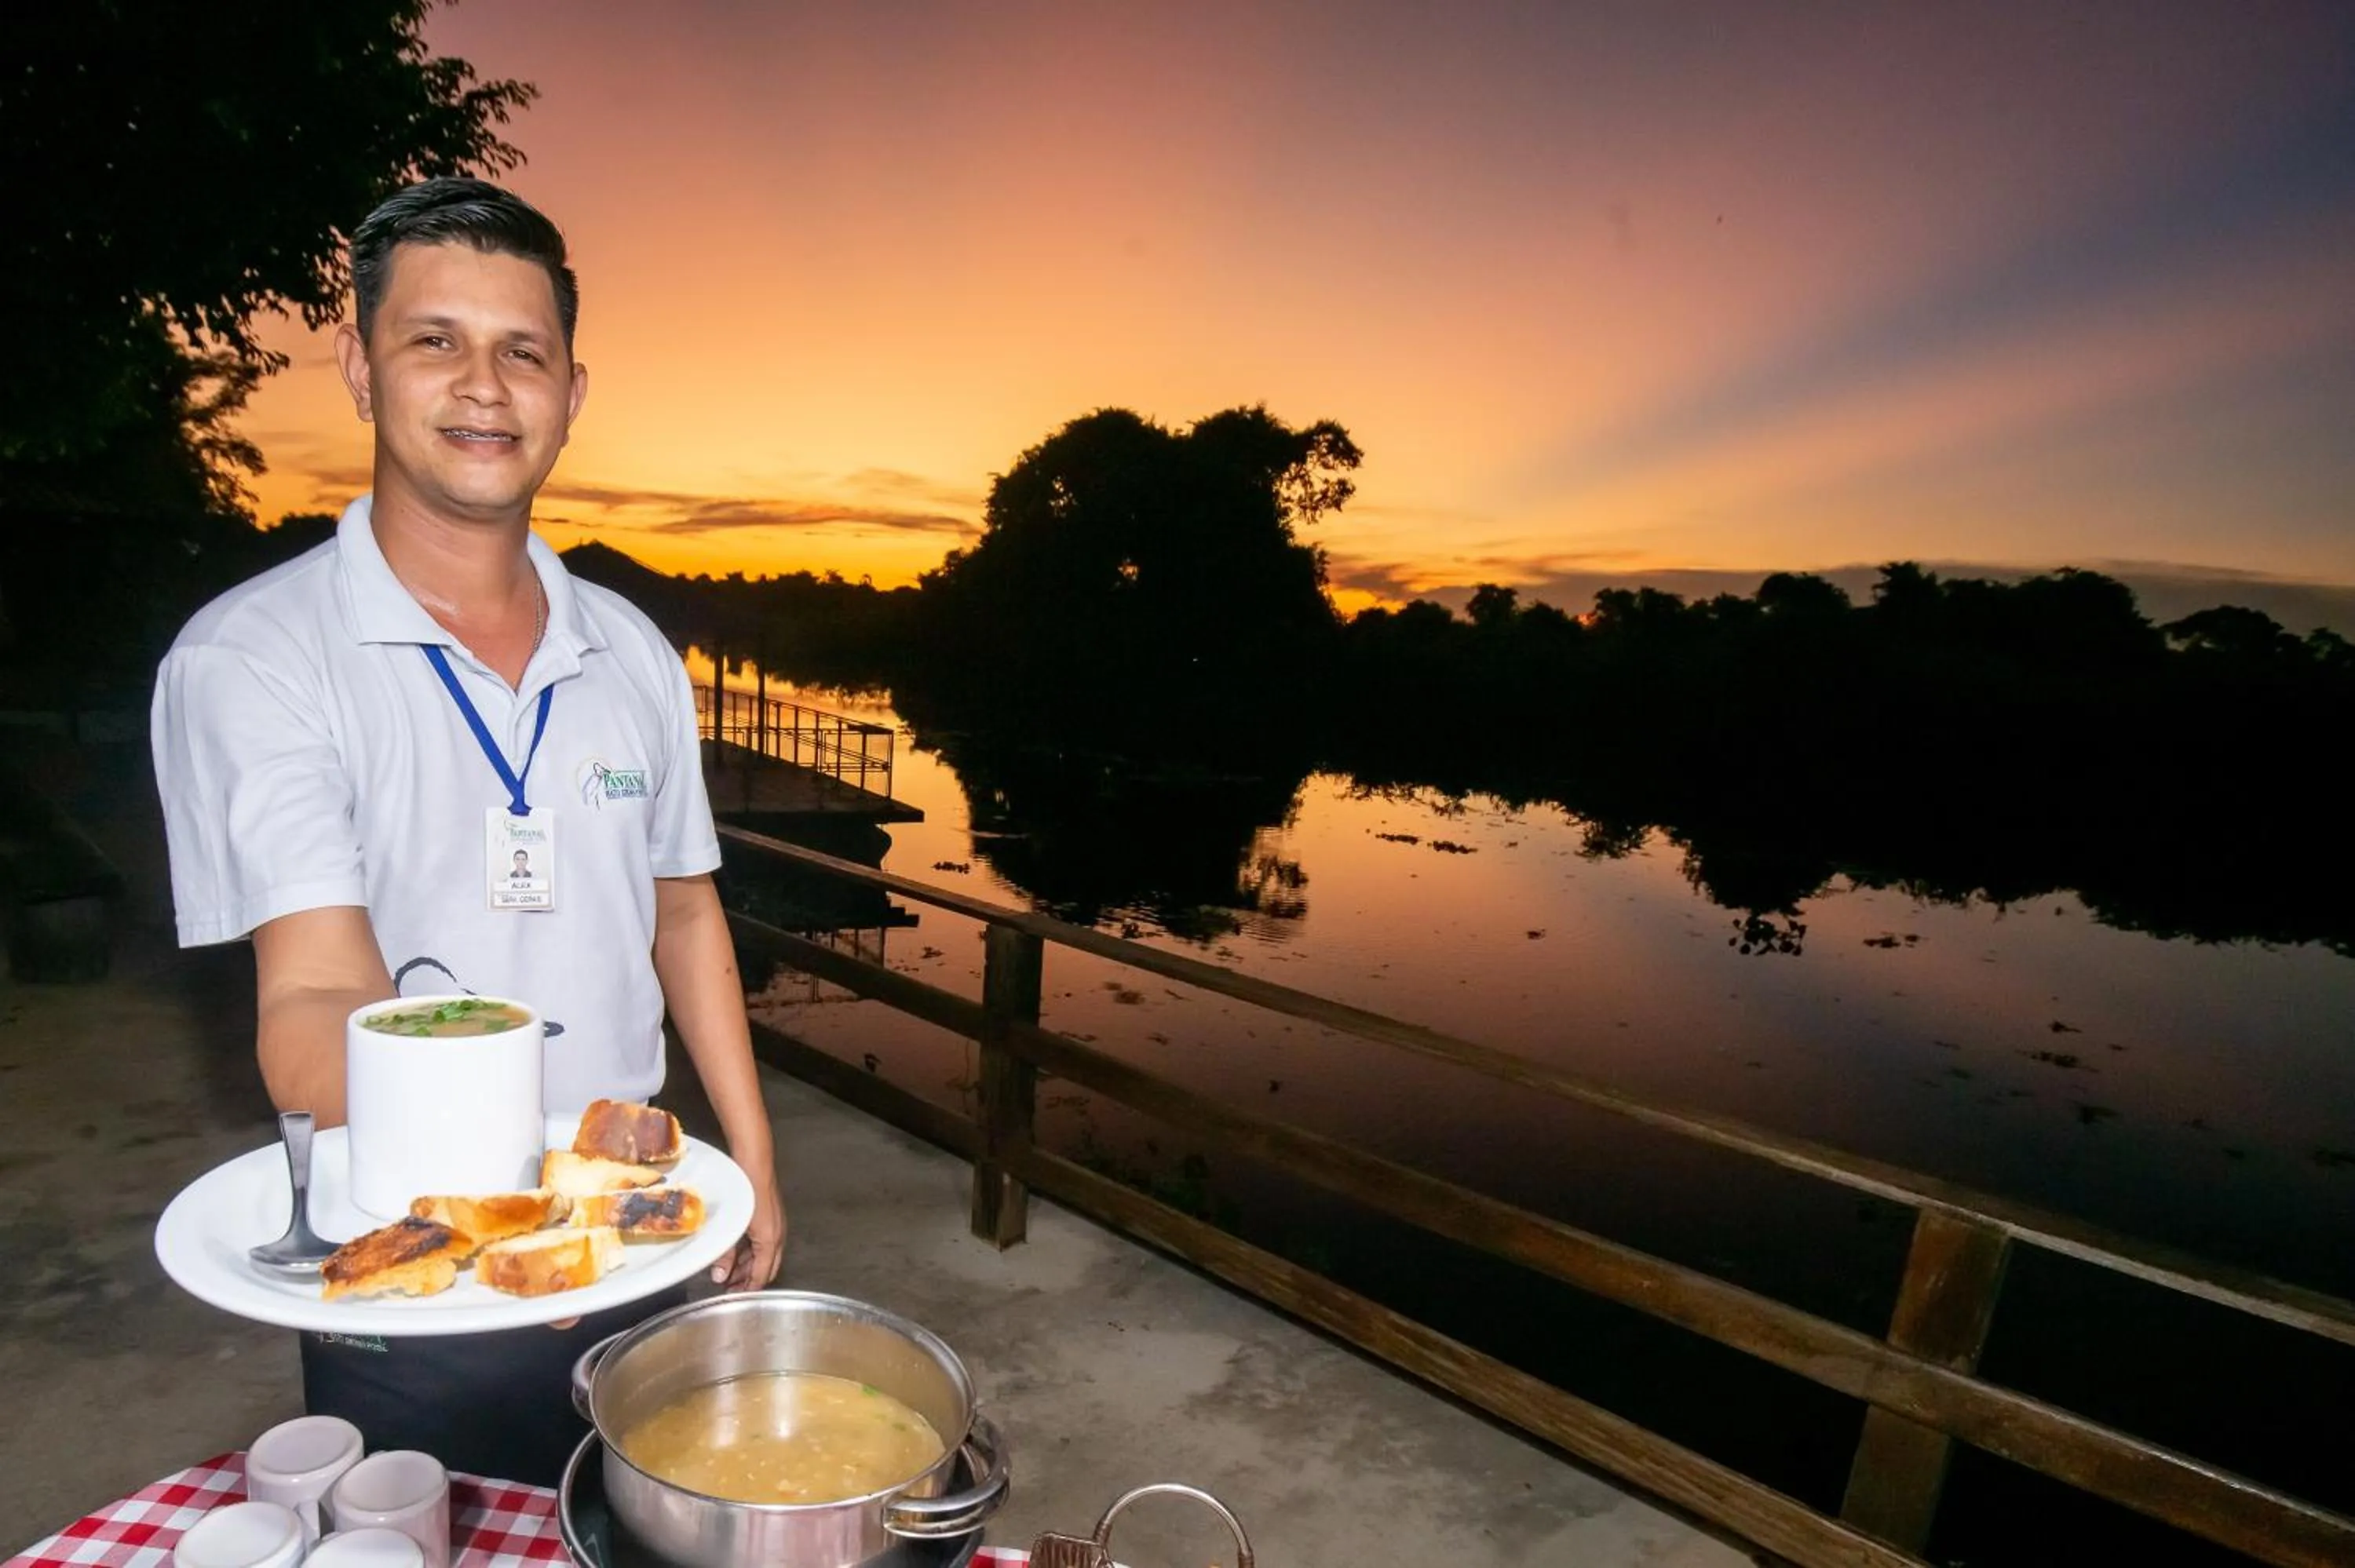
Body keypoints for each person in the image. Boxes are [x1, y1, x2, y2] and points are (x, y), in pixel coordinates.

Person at [151, 177, 786, 1484]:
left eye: (523, 351)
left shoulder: (632, 650)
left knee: (641, 1520)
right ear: (358, 366)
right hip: (410, 1243)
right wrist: (513, 1212)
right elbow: (315, 992)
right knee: (429, 1527)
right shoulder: (256, 656)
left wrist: (753, 1163)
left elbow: (683, 914)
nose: (484, 385)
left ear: (573, 390)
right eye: (434, 339)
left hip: (635, 1222)